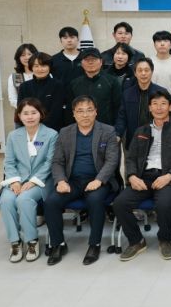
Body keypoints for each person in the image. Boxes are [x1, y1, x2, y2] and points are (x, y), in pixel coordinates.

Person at [113, 90, 171, 261]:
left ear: (170, 107)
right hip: (143, 177)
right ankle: (136, 241)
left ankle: (165, 239)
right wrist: (132, 176)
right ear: (149, 107)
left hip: (168, 178)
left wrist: (169, 176)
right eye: (155, 104)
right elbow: (131, 157)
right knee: (120, 203)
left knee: (163, 203)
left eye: (163, 103)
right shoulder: (141, 130)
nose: (159, 107)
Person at [44, 95, 120, 266]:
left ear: (96, 112)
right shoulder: (65, 132)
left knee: (94, 199)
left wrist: (99, 180)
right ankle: (58, 244)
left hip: (98, 180)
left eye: (89, 110)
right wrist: (61, 181)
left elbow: (112, 161)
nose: (85, 115)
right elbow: (57, 161)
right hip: (72, 181)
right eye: (80, 111)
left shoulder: (108, 131)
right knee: (51, 202)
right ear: (74, 114)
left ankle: (94, 244)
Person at [0, 98, 58, 262]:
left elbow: (50, 162)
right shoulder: (13, 136)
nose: (30, 117)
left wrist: (33, 181)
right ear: (19, 116)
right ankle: (15, 241)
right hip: (17, 180)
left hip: (41, 181)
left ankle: (32, 240)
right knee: (6, 201)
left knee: (24, 199)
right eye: (25, 113)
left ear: (41, 114)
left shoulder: (51, 135)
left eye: (34, 112)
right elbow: (9, 162)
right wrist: (14, 181)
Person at [115, 57, 168, 147]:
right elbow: (122, 117)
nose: (143, 73)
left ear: (152, 72)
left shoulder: (161, 93)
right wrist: (117, 134)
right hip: (133, 141)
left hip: (156, 141)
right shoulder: (127, 94)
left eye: (146, 70)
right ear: (135, 73)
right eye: (140, 70)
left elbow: (167, 117)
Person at [66, 47, 121, 126]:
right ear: (81, 63)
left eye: (94, 59)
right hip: (81, 128)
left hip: (106, 128)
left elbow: (118, 108)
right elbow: (70, 110)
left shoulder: (112, 81)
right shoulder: (74, 83)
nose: (90, 62)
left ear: (101, 62)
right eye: (87, 59)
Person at [17, 52, 66, 131]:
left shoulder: (57, 85)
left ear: (49, 67)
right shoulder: (24, 86)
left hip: (52, 129)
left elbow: (56, 111)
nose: (40, 69)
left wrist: (41, 129)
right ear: (31, 67)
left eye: (43, 65)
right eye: (36, 66)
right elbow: (21, 110)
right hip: (29, 128)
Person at [8, 43, 37, 108]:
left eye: (29, 54)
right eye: (23, 55)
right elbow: (13, 100)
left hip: (42, 111)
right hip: (23, 112)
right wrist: (27, 108)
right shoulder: (15, 77)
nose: (27, 57)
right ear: (19, 58)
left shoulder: (42, 73)